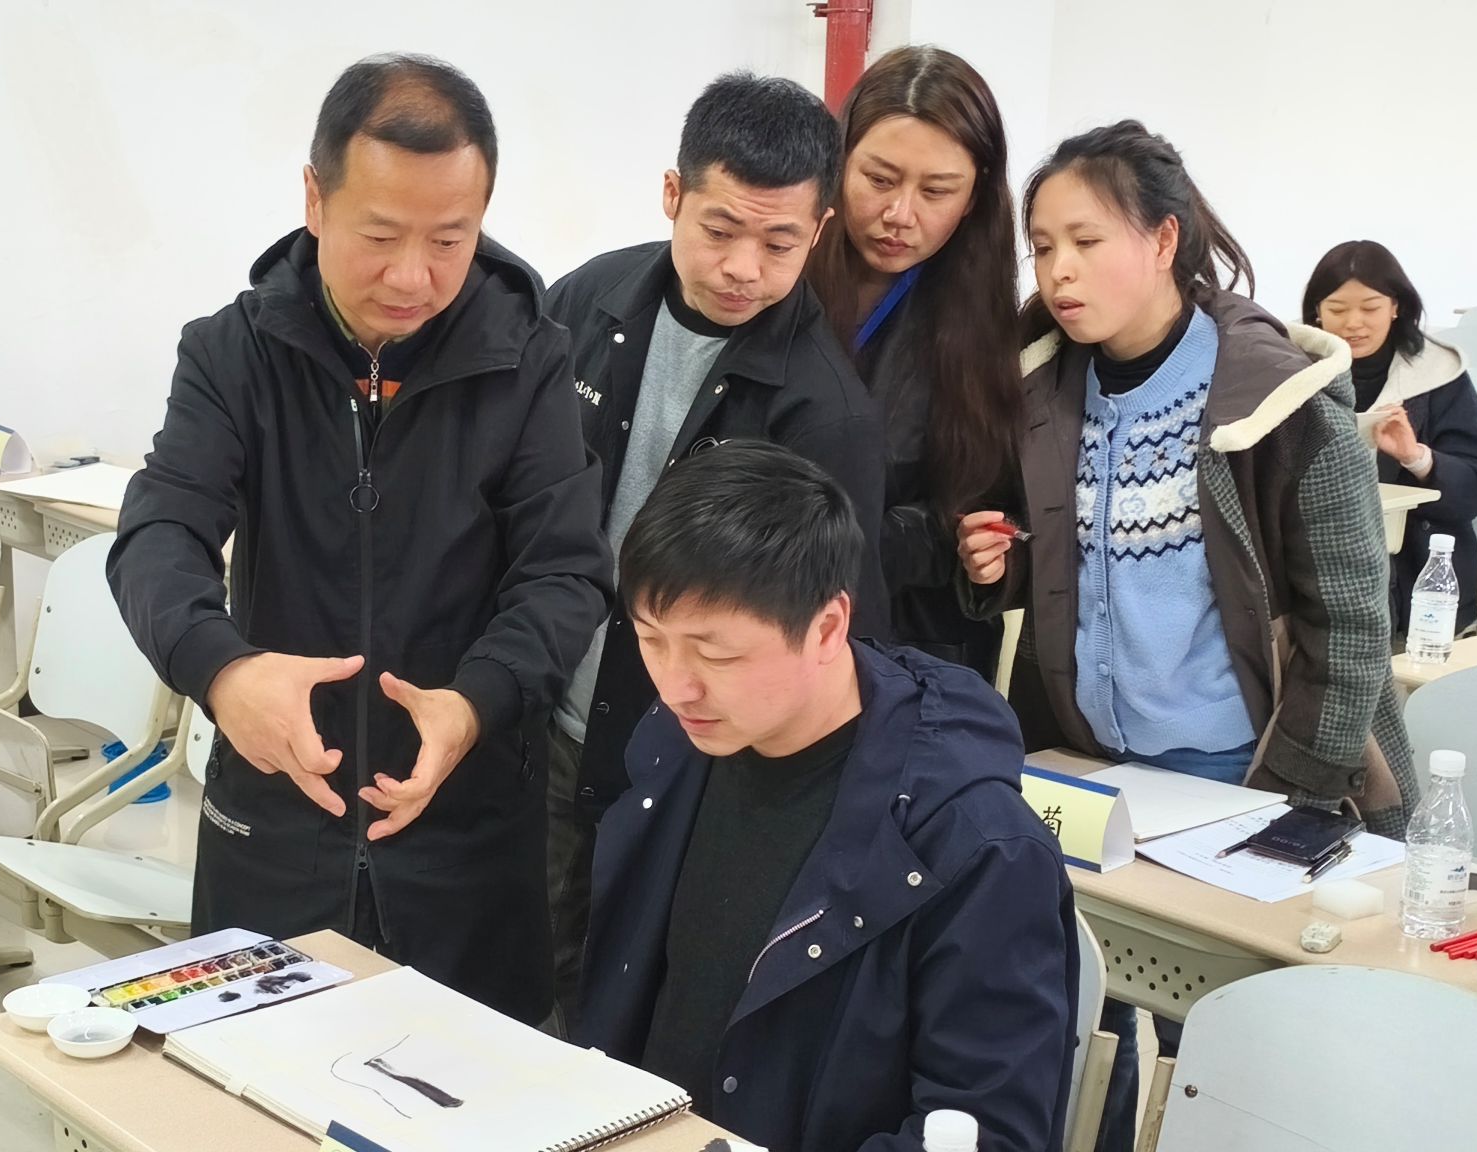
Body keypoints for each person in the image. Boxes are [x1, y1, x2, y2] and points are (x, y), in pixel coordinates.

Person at [107, 54, 611, 1024]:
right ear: (315, 198)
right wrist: (223, 672)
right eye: (380, 236)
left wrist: (476, 702)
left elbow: (564, 572)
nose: (412, 276)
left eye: (449, 240)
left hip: (464, 819)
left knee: (469, 1078)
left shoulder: (528, 360)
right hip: (277, 809)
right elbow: (159, 530)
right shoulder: (233, 354)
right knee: (250, 1076)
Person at [955, 121, 1418, 1152]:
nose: (1058, 271)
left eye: (1086, 241)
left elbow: (1350, 625)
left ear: (1163, 239)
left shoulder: (1278, 399)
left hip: (1243, 786)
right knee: (1097, 1020)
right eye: (1042, 247)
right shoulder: (1046, 388)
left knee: (1237, 1062)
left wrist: (1285, 802)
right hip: (1102, 780)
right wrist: (1000, 563)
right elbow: (1072, 559)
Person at [581, 441, 1076, 1152]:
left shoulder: (973, 844)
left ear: (828, 627)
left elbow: (992, 1133)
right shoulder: (680, 744)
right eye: (651, 640)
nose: (676, 685)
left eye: (717, 654)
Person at [539, 70, 884, 1034]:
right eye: (720, 228)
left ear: (818, 232)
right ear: (672, 194)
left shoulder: (827, 414)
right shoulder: (585, 302)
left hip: (692, 763)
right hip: (545, 724)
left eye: (779, 244)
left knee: (623, 1015)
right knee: (519, 979)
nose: (743, 267)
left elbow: (838, 645)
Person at [805, 45, 1020, 678]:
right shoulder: (782, 281)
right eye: (879, 180)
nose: (900, 215)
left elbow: (985, 504)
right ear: (839, 161)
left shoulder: (990, 328)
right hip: (768, 620)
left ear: (974, 195)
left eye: (936, 191)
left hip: (916, 651)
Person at [1303, 240, 1477, 635]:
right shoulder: (1290, 368)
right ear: (1317, 312)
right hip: (1316, 569)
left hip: (1416, 573)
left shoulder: (1437, 373)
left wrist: (1417, 458)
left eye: (1370, 308)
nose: (1353, 323)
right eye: (1337, 310)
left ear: (1396, 307)